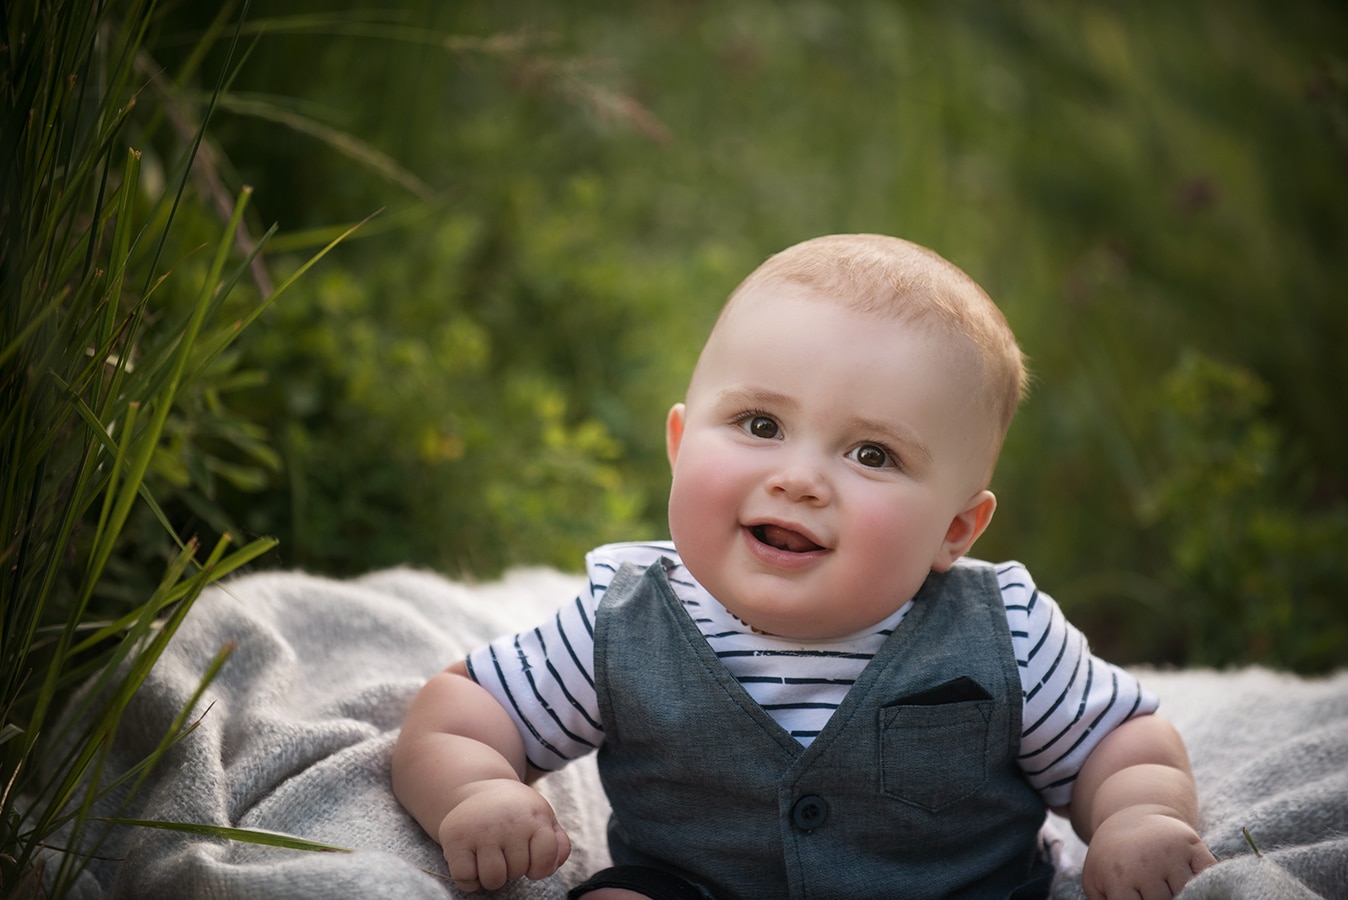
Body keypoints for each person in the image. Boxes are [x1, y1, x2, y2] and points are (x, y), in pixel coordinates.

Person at [392, 234, 1216, 900]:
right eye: (758, 424)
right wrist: (477, 792)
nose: (798, 478)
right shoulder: (624, 620)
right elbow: (461, 711)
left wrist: (1137, 817)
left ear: (955, 529)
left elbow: (1124, 743)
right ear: (680, 447)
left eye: (871, 452)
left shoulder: (1004, 632)